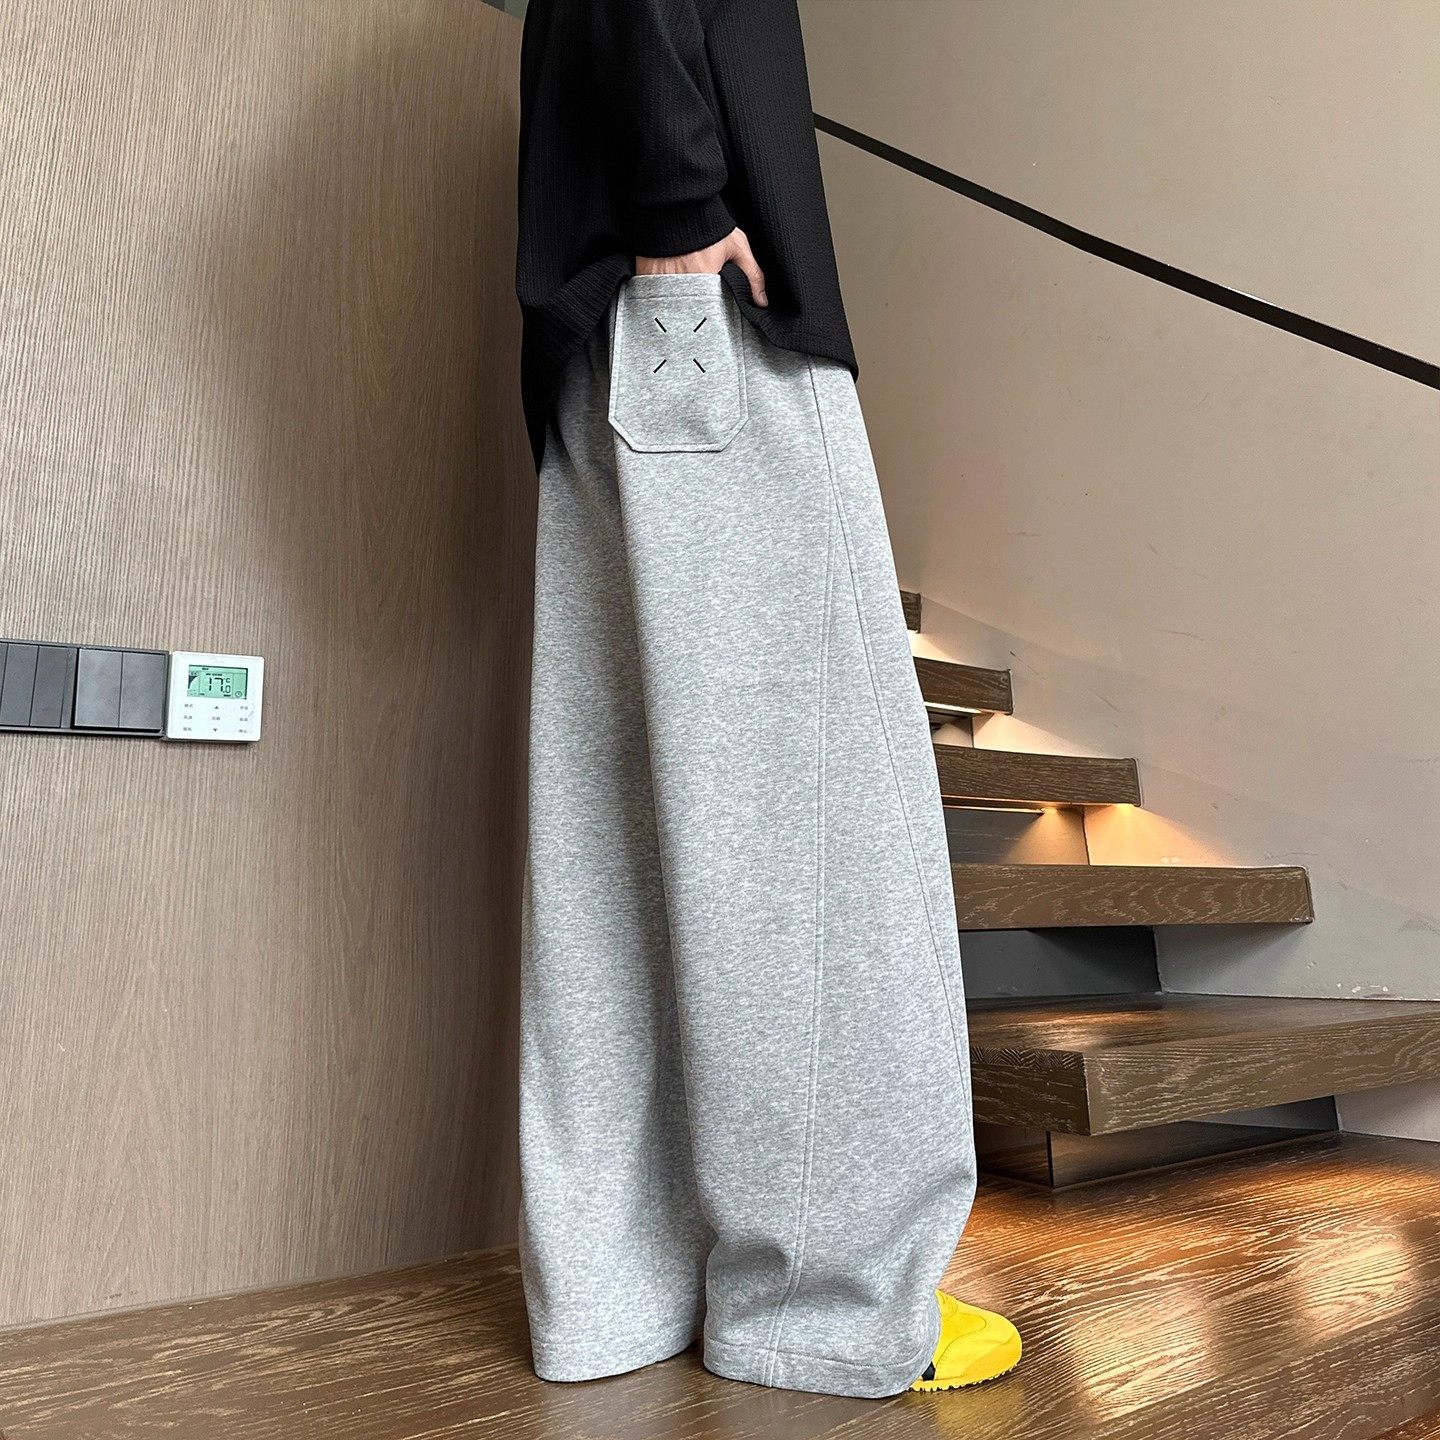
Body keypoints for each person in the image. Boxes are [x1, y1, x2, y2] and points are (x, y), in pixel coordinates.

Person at [513, 0, 1021, 1400]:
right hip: (699, 299)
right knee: (817, 830)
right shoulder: (681, 229)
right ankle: (833, 1302)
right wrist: (682, 200)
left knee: (616, 840)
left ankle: (615, 1287)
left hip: (601, 318)